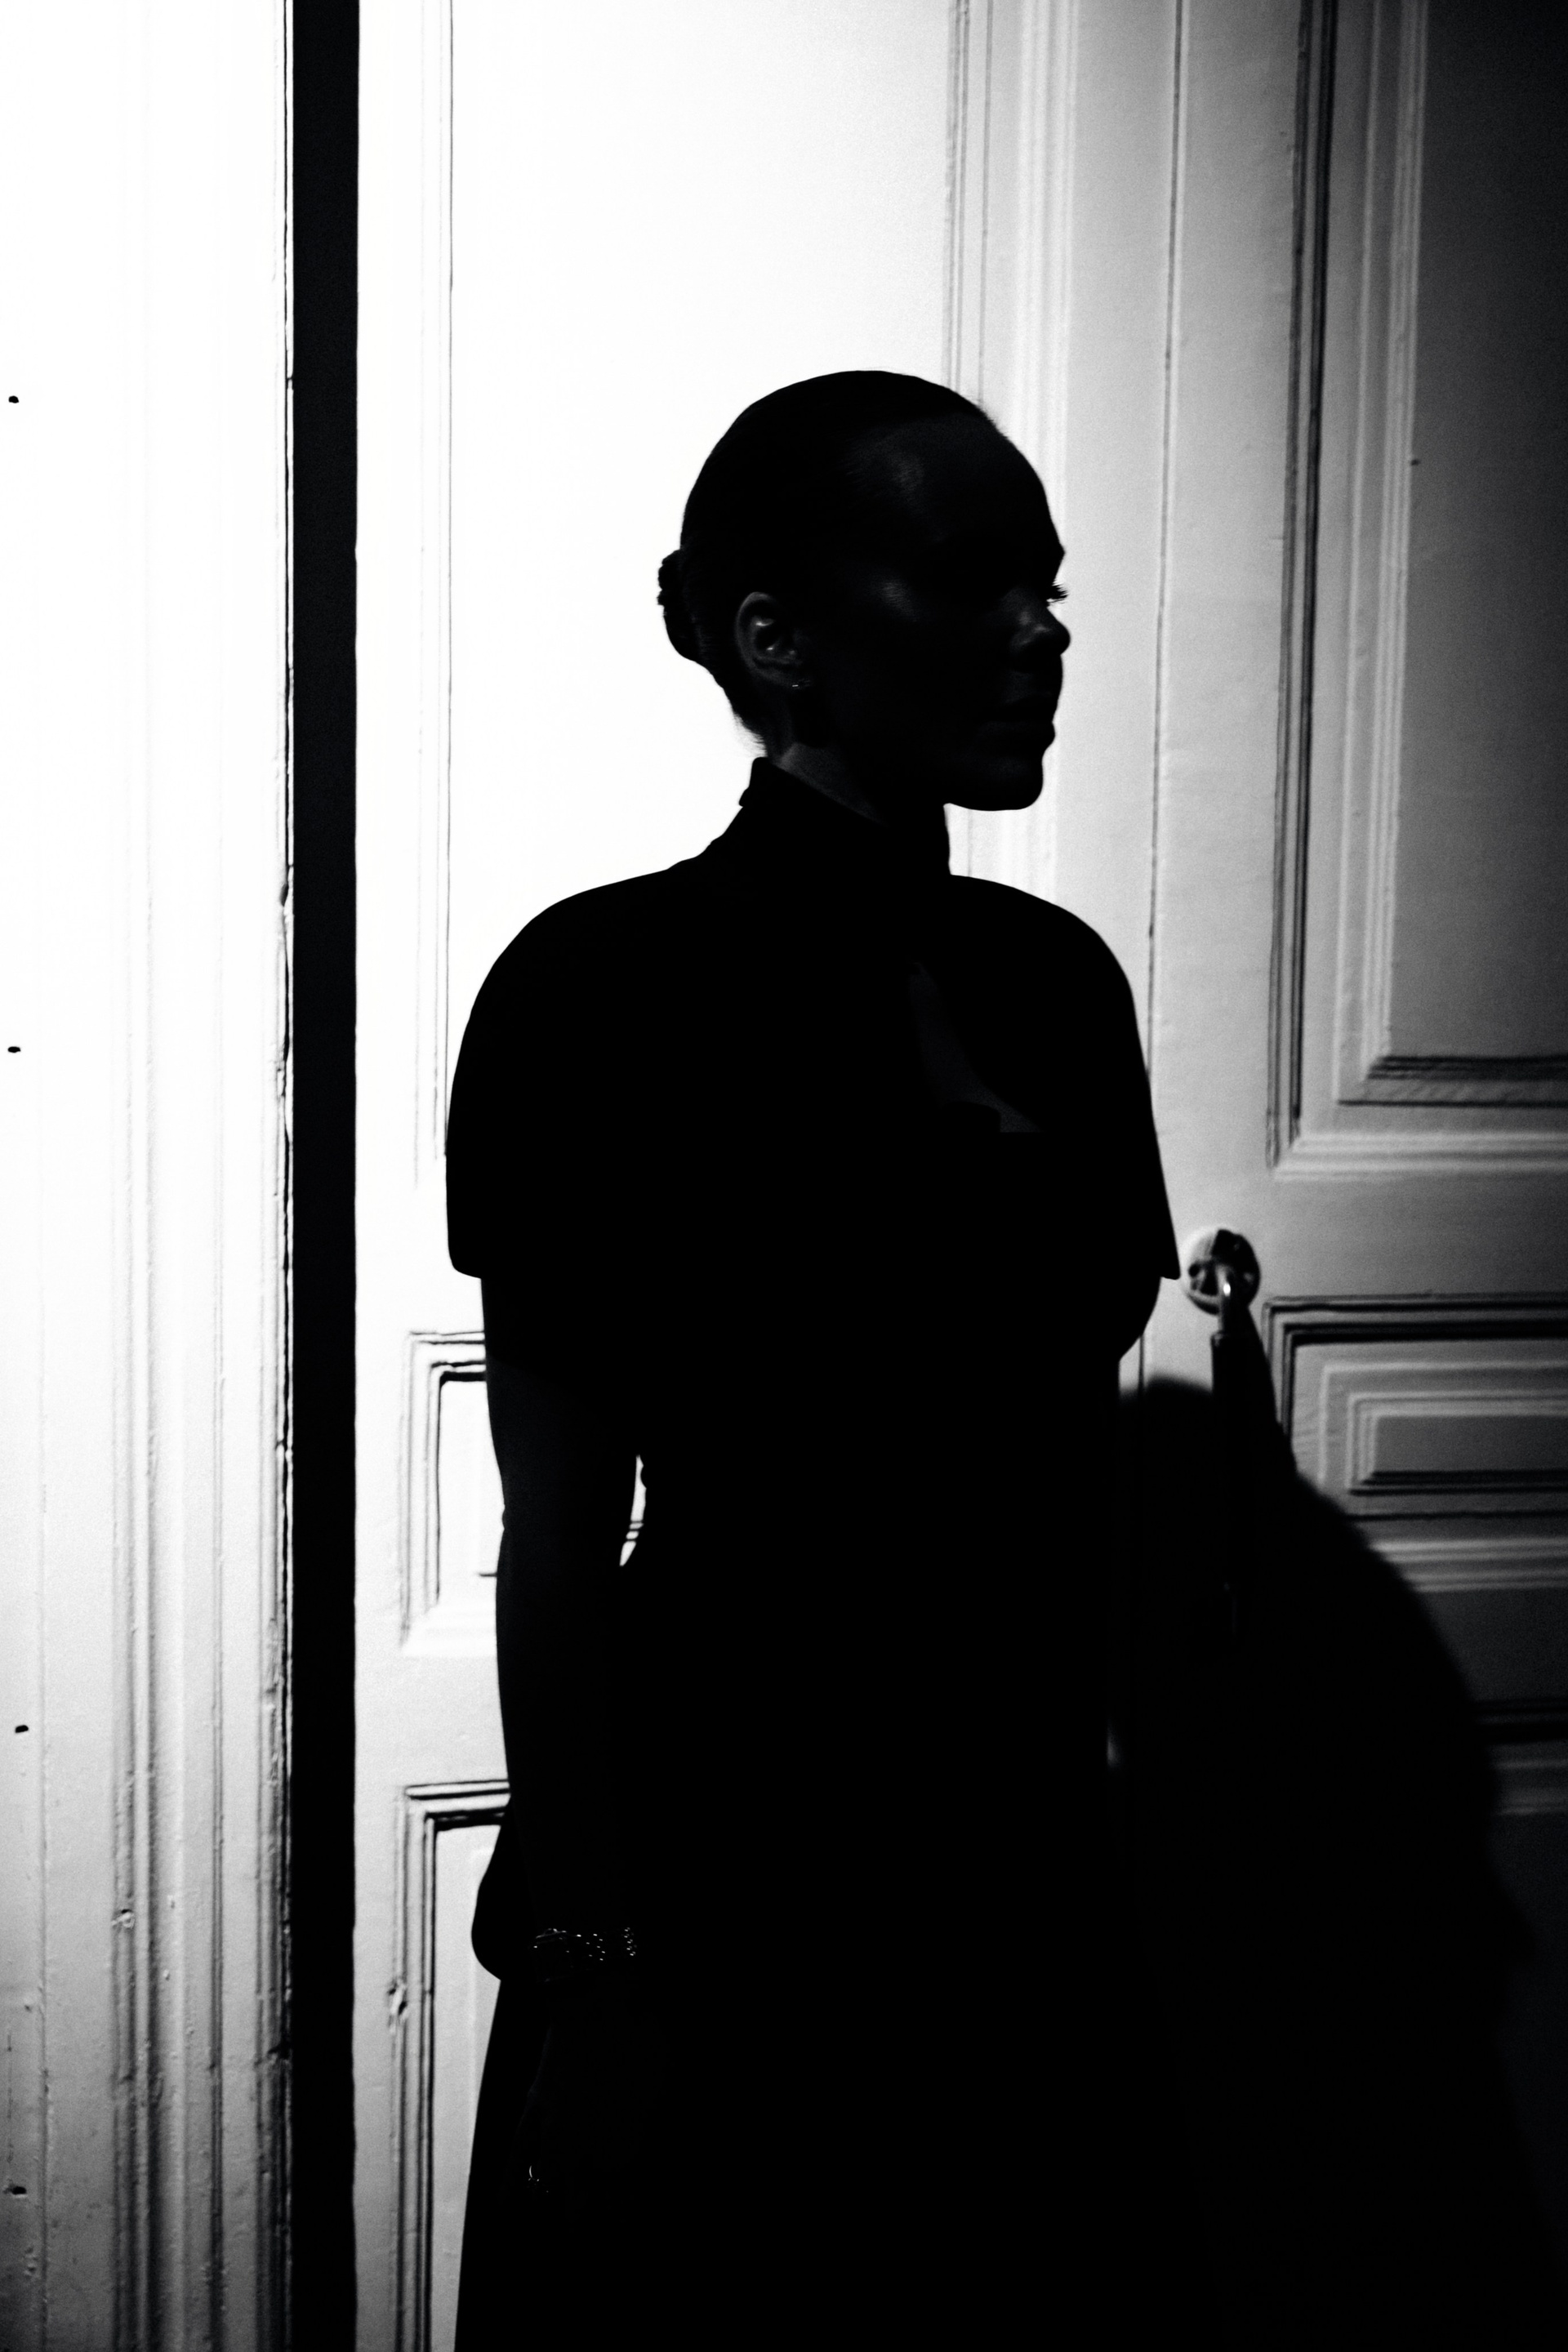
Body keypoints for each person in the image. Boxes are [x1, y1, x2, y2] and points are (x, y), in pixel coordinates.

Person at [446, 371, 1178, 2345]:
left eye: (1046, 586)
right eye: (973, 580)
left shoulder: (1058, 987)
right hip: (721, 1865)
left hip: (1012, 1862)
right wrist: (594, 1962)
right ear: (777, 638)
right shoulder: (597, 990)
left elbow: (1047, 1442)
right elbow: (560, 1531)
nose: (1039, 634)